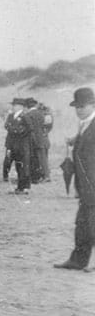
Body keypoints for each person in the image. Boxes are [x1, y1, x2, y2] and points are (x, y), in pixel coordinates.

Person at [54, 87, 95, 270]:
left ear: (92, 105)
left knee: (91, 225)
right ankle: (78, 260)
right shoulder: (85, 124)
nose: (78, 110)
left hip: (92, 185)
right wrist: (74, 141)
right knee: (83, 225)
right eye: (76, 106)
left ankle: (79, 260)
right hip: (85, 186)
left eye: (82, 106)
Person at [5, 98, 33, 194]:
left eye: (15, 105)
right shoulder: (11, 116)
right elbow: (7, 127)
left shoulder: (24, 116)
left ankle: (24, 187)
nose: (13, 107)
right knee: (18, 166)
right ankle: (20, 187)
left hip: (22, 145)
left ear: (20, 106)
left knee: (23, 166)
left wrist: (17, 131)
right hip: (14, 145)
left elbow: (29, 128)